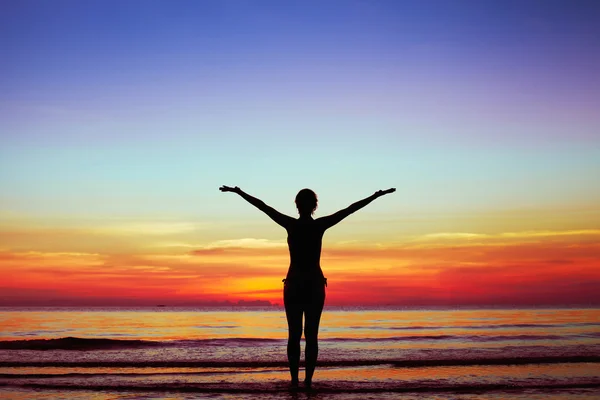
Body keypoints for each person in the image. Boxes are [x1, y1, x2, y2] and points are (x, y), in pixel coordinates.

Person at [219, 185, 395, 388]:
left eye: (304, 202)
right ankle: (302, 381)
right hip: (306, 285)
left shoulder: (296, 225)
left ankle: (301, 381)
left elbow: (349, 209)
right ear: (313, 206)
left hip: (302, 285)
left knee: (300, 334)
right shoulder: (309, 225)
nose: (303, 205)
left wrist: (375, 196)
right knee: (305, 335)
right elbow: (263, 207)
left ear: (303, 205)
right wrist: (239, 193)